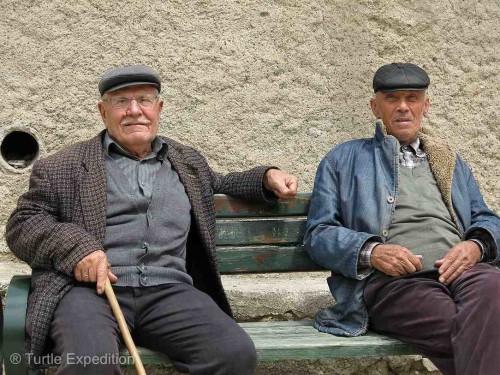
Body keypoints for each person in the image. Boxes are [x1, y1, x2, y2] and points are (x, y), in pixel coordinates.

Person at [6, 64, 298, 375]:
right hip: (92, 292)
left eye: (144, 100)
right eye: (120, 102)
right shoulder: (62, 167)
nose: (134, 111)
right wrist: (77, 250)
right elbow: (23, 223)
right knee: (90, 364)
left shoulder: (187, 162)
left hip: (169, 291)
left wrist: (267, 177)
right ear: (103, 112)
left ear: (158, 108)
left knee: (233, 354)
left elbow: (222, 183)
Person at [304, 62, 500, 375]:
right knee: (474, 332)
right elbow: (318, 234)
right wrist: (372, 252)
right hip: (397, 284)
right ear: (375, 107)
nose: (404, 108)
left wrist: (476, 246)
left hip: (463, 272)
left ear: (426, 105)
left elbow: (488, 219)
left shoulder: (450, 160)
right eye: (392, 98)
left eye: (413, 98)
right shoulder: (343, 159)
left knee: (494, 288)